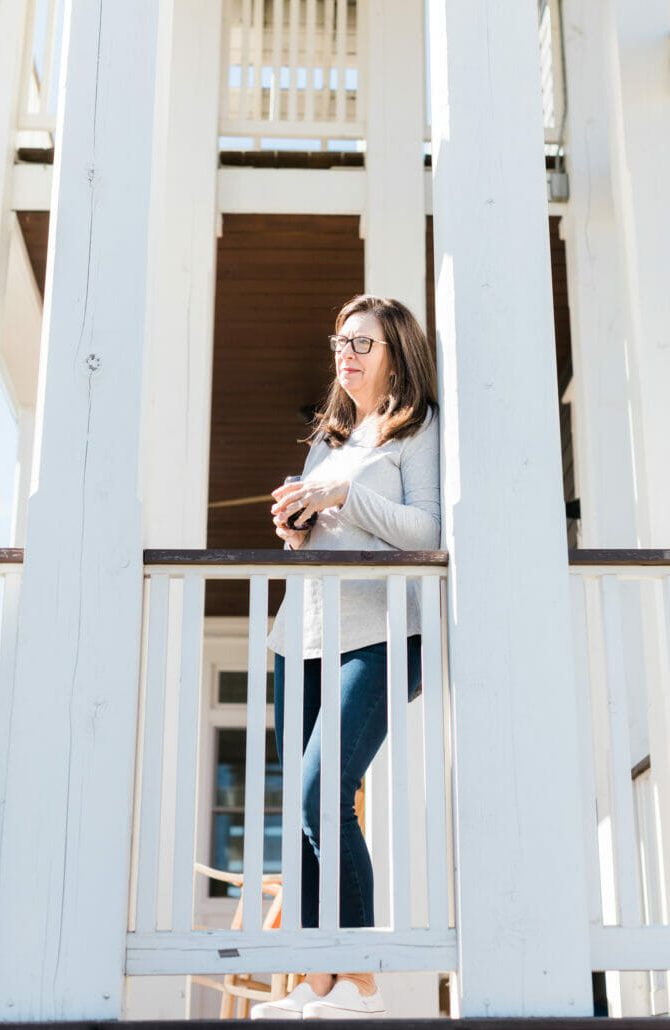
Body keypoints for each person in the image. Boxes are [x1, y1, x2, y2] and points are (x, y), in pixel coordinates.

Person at [251, 295, 440, 1020]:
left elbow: (424, 527)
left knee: (318, 795)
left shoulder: (415, 431)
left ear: (397, 351)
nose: (346, 355)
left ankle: (359, 981)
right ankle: (316, 979)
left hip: (383, 634)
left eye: (362, 343)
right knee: (301, 814)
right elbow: (323, 523)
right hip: (297, 637)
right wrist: (298, 522)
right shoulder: (330, 436)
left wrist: (343, 496)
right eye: (339, 342)